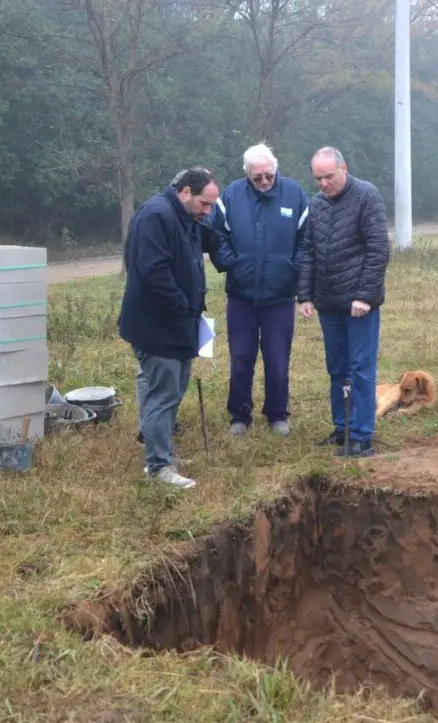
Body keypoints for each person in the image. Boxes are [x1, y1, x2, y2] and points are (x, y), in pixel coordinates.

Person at [118, 168, 219, 487]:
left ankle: (163, 451)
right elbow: (154, 272)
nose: (208, 212)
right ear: (186, 192)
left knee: (172, 389)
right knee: (163, 392)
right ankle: (159, 467)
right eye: (205, 204)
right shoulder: (155, 216)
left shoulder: (186, 218)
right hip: (157, 324)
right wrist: (182, 305)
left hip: (182, 324)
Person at [297, 146, 390, 457]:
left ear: (344, 168)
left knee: (361, 368)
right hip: (328, 303)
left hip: (359, 305)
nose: (324, 184)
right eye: (318, 178)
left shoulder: (367, 196)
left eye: (329, 176)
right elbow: (308, 251)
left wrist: (365, 296)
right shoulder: (317, 205)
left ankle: (362, 436)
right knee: (337, 368)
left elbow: (377, 249)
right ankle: (342, 428)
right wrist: (305, 295)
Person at [211, 143, 309, 437]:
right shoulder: (230, 196)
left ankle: (277, 413)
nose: (265, 182)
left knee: (278, 359)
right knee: (241, 357)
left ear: (275, 171)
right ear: (247, 175)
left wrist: (293, 267)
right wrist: (231, 263)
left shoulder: (294, 193)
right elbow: (216, 235)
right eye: (258, 178)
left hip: (280, 296)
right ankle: (239, 415)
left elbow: (307, 238)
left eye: (269, 175)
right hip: (241, 296)